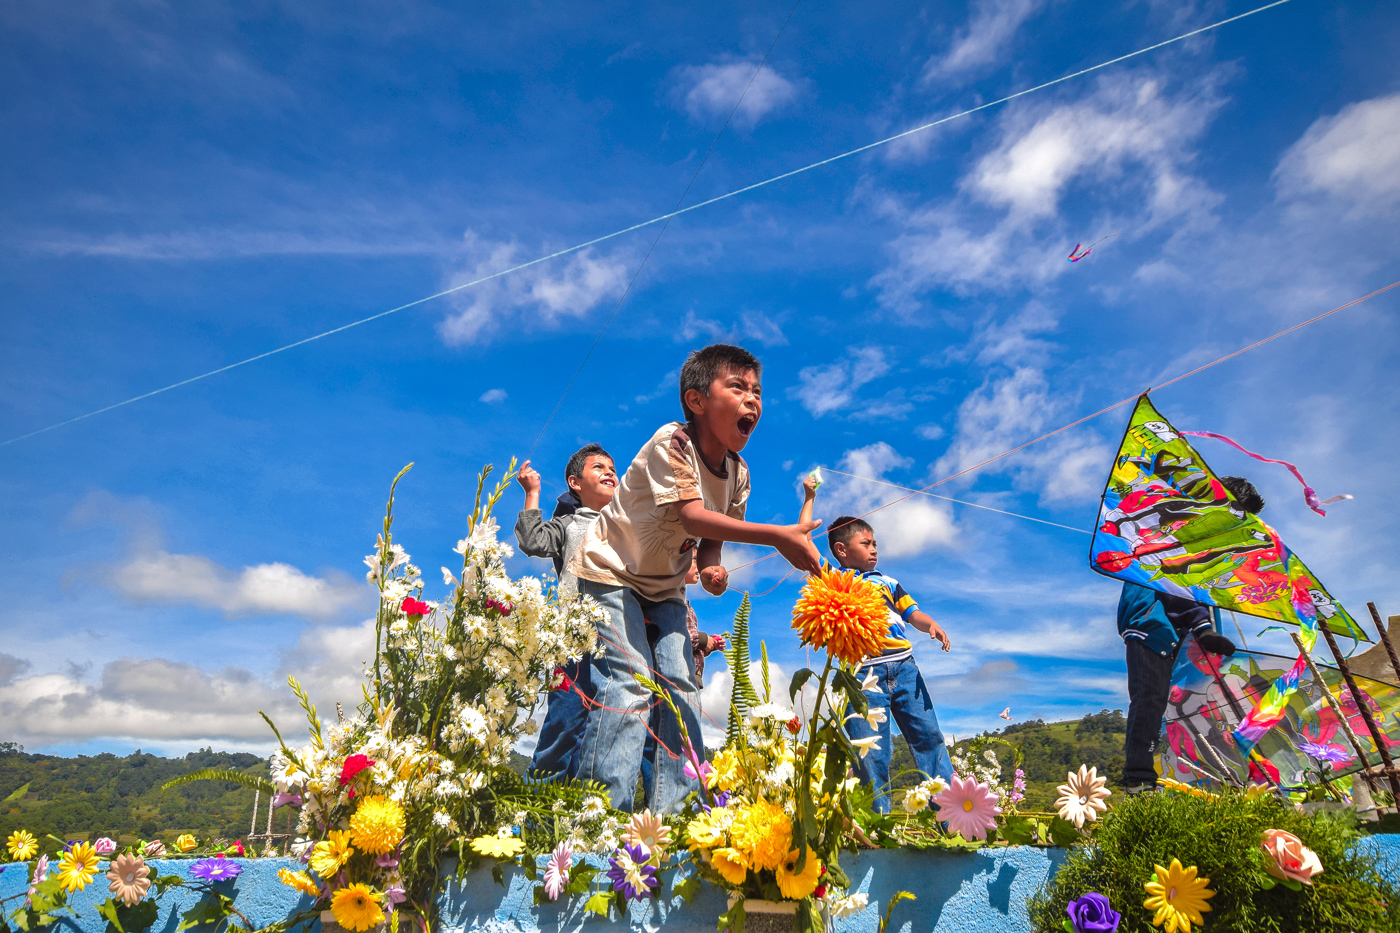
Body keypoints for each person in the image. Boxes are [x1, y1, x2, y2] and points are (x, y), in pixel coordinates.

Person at [569, 343, 823, 812]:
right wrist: (777, 536)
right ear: (697, 400)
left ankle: (676, 813)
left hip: (664, 588)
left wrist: (711, 570)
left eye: (758, 392)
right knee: (629, 681)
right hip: (609, 572)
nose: (753, 400)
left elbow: (708, 542)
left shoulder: (739, 474)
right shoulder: (674, 442)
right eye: (738, 387)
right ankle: (600, 817)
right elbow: (691, 515)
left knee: (682, 686)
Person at [1118, 476, 1259, 793]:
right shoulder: (1176, 532)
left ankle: (1220, 776)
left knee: (1197, 699)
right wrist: (1204, 627)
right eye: (1238, 515)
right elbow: (1173, 582)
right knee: (1150, 697)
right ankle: (1138, 779)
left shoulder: (1206, 544)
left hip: (1183, 631)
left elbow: (1194, 589)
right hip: (1153, 623)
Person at [826, 513, 955, 813]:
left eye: (875, 544)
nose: (874, 549)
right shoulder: (836, 580)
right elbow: (804, 545)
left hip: (905, 668)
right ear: (841, 550)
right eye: (866, 543)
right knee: (871, 748)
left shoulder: (889, 582)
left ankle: (952, 818)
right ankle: (877, 822)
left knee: (929, 737)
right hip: (863, 674)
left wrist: (931, 625)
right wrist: (809, 498)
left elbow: (912, 613)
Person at [514, 443, 617, 779]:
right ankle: (541, 820)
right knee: (564, 720)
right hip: (574, 639)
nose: (609, 473)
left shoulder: (629, 524)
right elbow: (532, 541)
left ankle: (587, 820)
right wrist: (533, 492)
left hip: (620, 638)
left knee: (605, 729)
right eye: (599, 468)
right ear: (575, 482)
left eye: (613, 469)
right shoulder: (570, 523)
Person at [639, 553, 727, 801]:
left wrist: (707, 646)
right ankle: (663, 799)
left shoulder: (687, 606)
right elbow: (676, 639)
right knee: (669, 739)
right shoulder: (673, 608)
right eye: (695, 560)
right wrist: (703, 638)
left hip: (691, 678)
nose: (700, 567)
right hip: (672, 683)